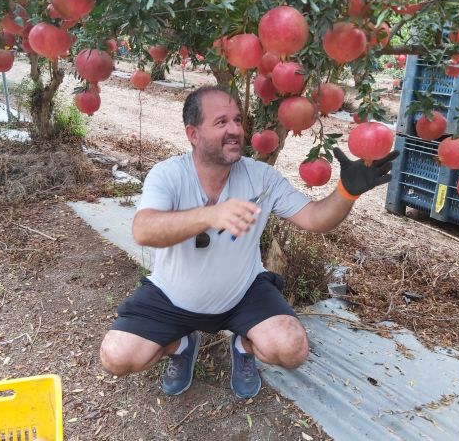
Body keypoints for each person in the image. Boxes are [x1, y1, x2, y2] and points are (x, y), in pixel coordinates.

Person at [100, 86, 398, 399]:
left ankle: (243, 346)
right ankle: (182, 345)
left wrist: (346, 192)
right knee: (117, 357)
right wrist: (209, 215)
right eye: (221, 123)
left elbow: (314, 218)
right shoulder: (168, 175)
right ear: (193, 134)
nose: (235, 130)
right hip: (171, 296)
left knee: (291, 349)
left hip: (242, 293)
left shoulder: (262, 177)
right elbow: (144, 230)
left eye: (238, 120)